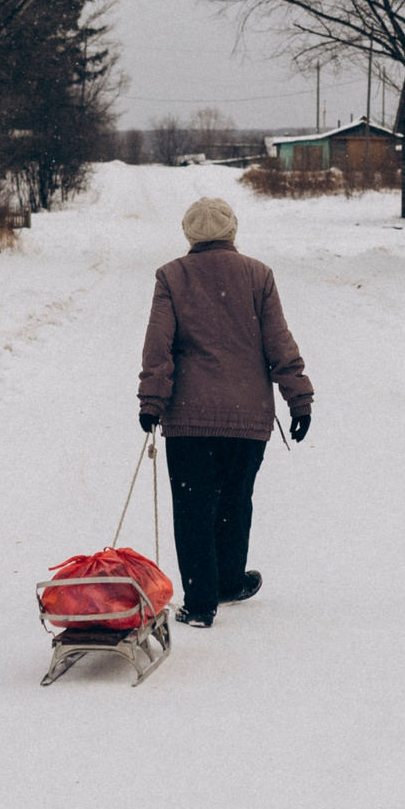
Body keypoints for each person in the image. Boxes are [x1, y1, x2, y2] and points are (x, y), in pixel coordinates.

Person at [135, 195, 313, 628]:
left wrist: (152, 400)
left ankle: (200, 603)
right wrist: (299, 397)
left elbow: (158, 346)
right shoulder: (258, 275)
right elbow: (279, 342)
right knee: (235, 499)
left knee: (193, 508)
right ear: (232, 231)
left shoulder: (172, 276)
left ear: (189, 234)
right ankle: (229, 579)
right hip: (247, 419)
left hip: (189, 420)